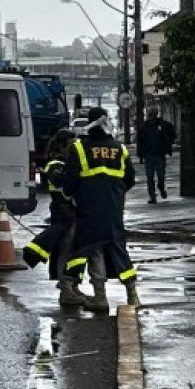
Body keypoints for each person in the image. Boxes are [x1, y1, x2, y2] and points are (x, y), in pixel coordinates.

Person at [60, 108, 139, 311]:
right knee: (118, 249)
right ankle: (132, 294)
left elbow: (69, 182)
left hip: (88, 208)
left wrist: (69, 198)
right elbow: (130, 179)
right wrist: (114, 193)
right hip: (113, 208)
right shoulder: (119, 148)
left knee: (91, 249)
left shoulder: (79, 149)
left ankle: (99, 296)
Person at [23, 127, 87, 311]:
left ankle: (74, 286)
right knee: (65, 251)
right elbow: (66, 184)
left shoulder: (71, 162)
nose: (75, 146)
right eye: (71, 144)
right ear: (61, 145)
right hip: (63, 213)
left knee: (78, 253)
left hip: (76, 212)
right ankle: (65, 289)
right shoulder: (55, 165)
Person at [136, 106, 178, 203]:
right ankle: (152, 196)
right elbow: (140, 141)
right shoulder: (144, 126)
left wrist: (168, 145)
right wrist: (141, 155)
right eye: (149, 114)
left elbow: (171, 134)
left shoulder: (163, 125)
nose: (150, 116)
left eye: (152, 114)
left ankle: (161, 188)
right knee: (150, 176)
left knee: (160, 175)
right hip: (149, 154)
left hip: (159, 153)